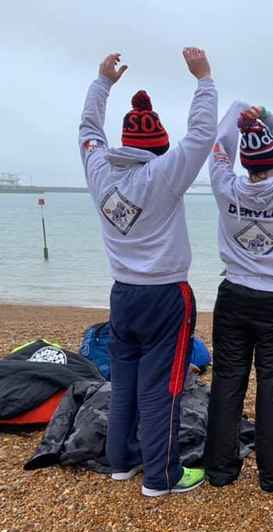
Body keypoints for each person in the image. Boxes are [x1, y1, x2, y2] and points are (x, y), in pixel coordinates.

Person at [78, 49, 217, 497]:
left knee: (125, 382)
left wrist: (102, 83)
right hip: (165, 297)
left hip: (122, 294)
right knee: (164, 387)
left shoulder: (99, 170)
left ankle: (121, 461)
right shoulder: (164, 174)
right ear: (157, 147)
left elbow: (88, 131)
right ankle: (161, 477)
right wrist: (204, 80)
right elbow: (200, 135)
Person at [204, 99, 273, 492]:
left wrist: (237, 112)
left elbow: (219, 147)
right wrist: (264, 116)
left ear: (244, 163)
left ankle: (220, 469)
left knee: (228, 381)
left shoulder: (224, 186)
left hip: (234, 293)